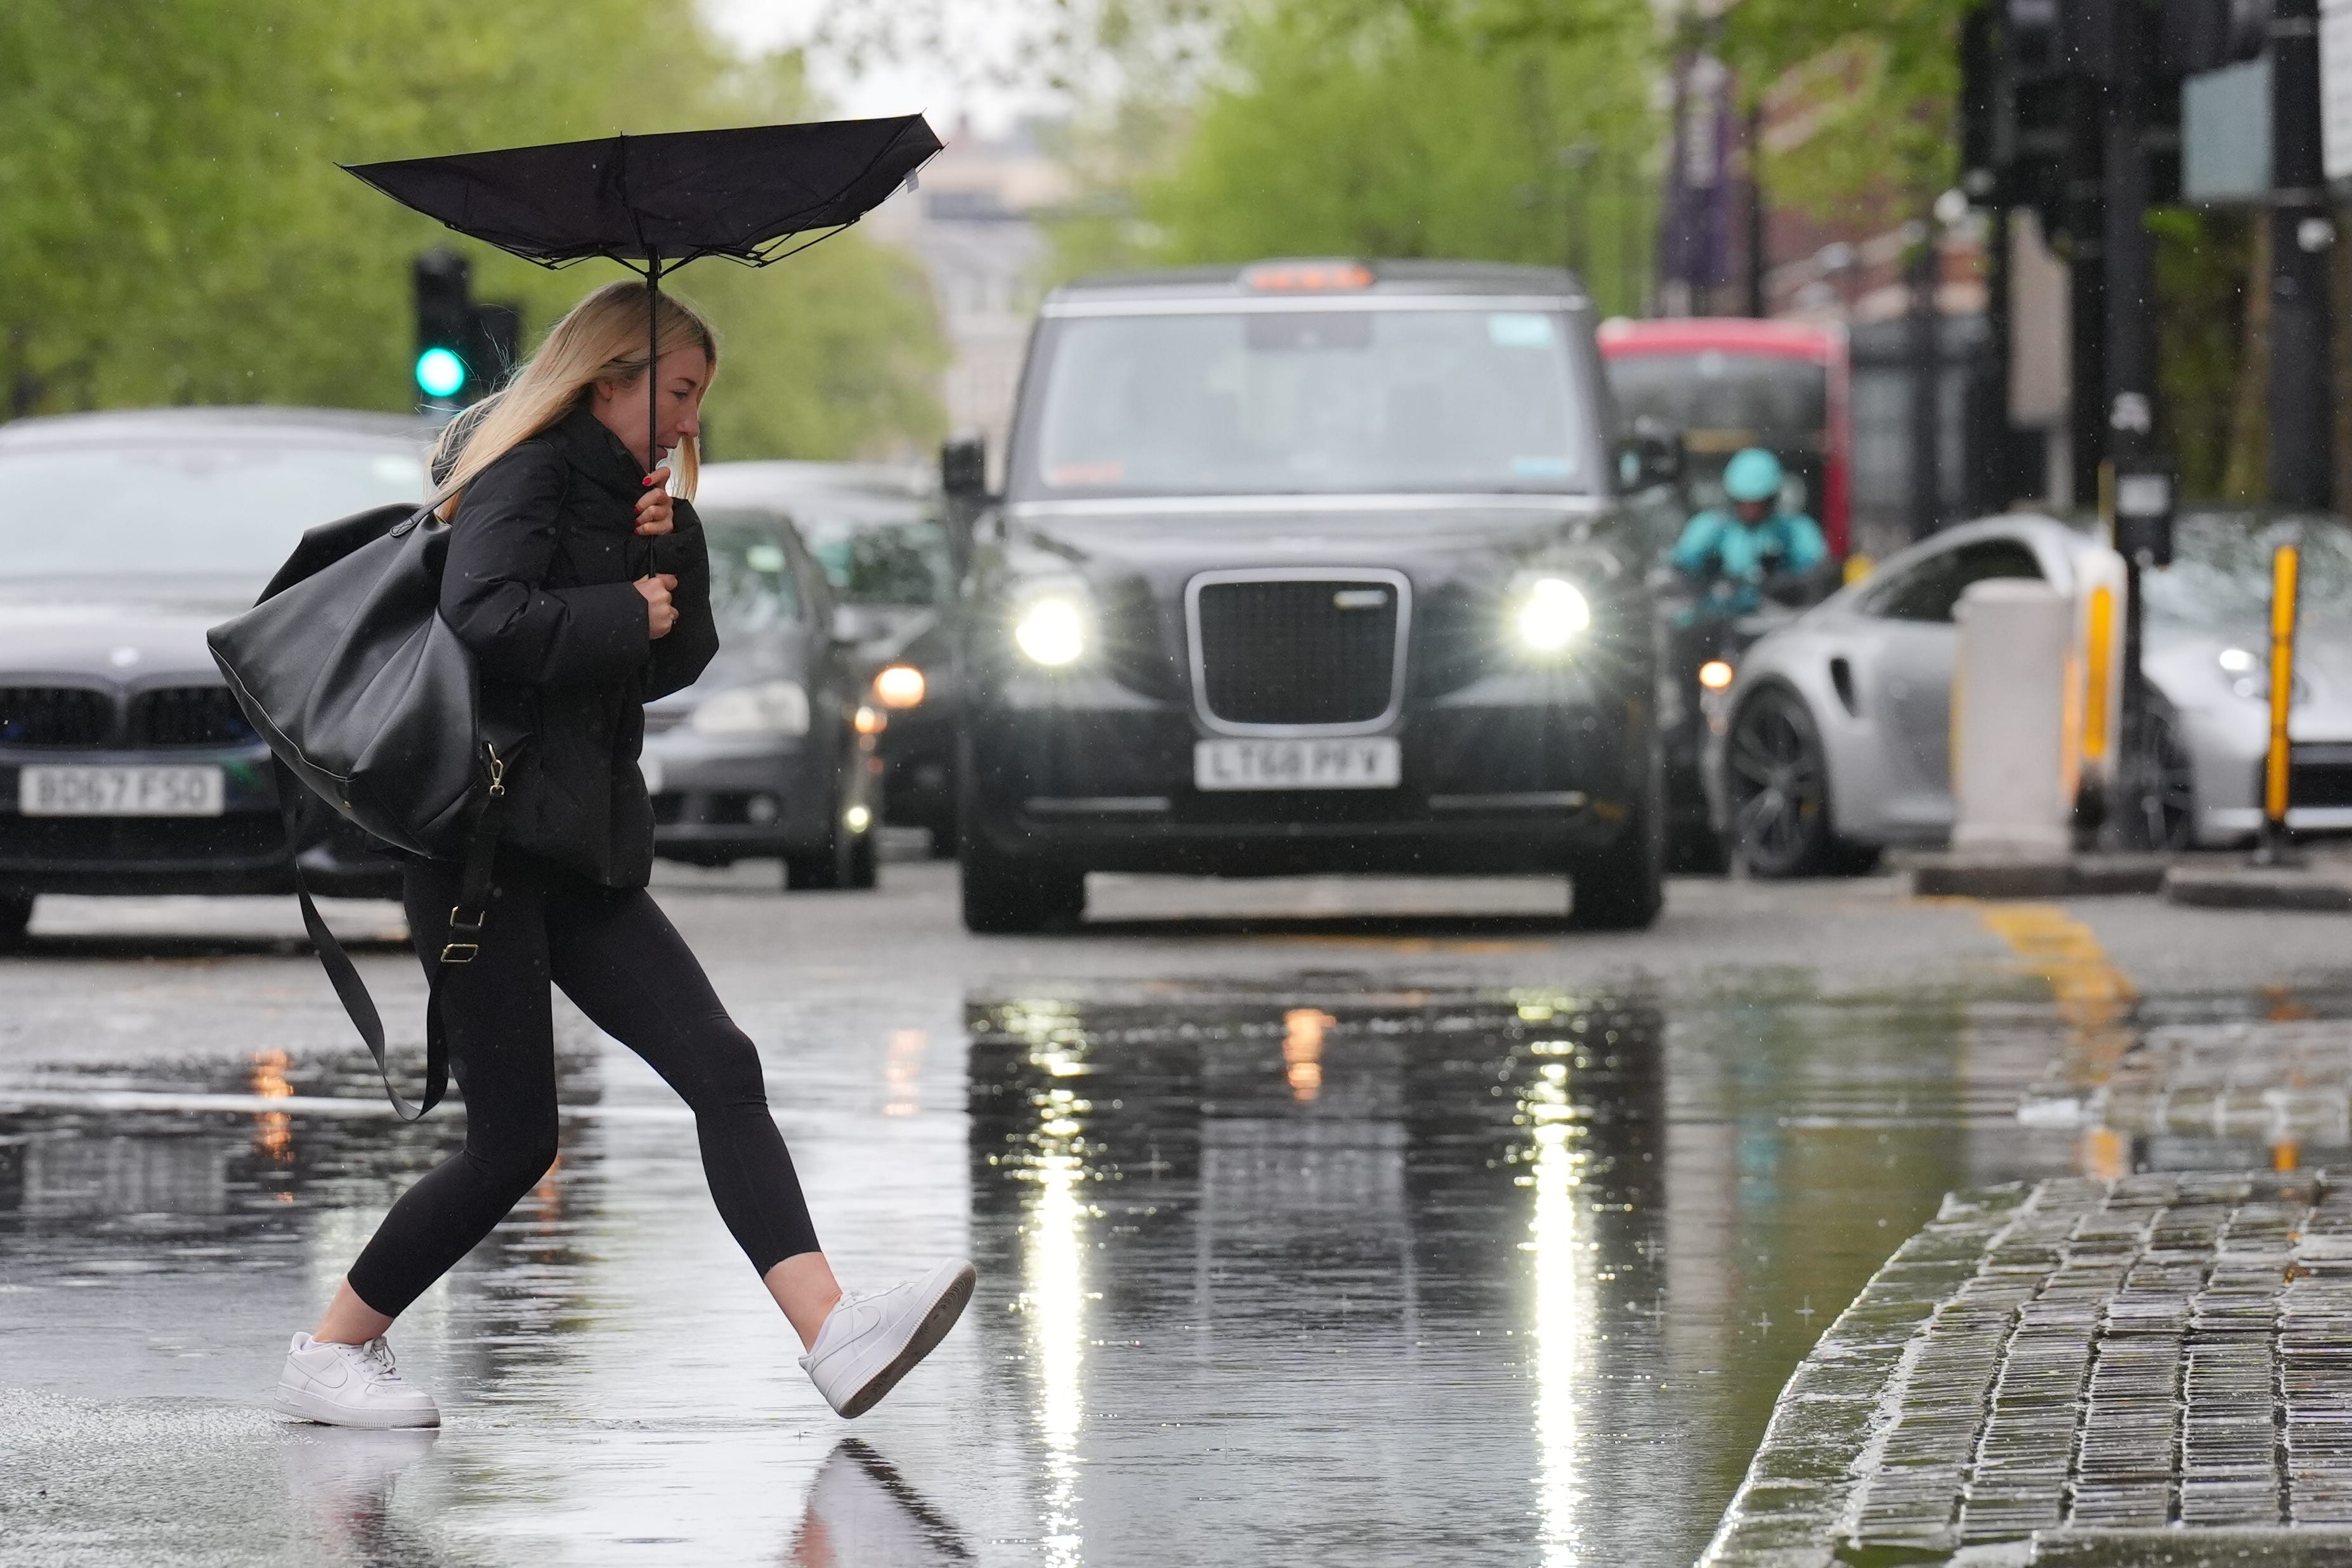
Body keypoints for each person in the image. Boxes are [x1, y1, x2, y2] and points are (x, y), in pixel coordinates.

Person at [274, 280, 974, 1430]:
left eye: (700, 398)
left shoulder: (623, 498)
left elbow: (663, 660)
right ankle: (331, 1352)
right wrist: (623, 610)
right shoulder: (521, 475)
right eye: (679, 392)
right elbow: (481, 616)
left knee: (720, 1064)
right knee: (513, 1144)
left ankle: (832, 1330)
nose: (690, 421)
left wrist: (671, 557)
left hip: (581, 853)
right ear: (609, 379)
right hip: (485, 855)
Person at [1668, 447, 1828, 619]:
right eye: (1743, 502)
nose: (1751, 510)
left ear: (1772, 498)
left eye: (1759, 502)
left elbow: (1816, 577)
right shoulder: (1708, 528)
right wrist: (1709, 582)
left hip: (1780, 625)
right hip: (1715, 624)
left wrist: (1782, 584)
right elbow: (1679, 575)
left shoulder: (1797, 531)